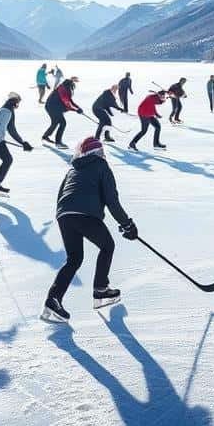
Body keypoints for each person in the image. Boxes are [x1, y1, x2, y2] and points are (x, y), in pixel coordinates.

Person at [41, 137, 137, 323]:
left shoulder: (72, 169)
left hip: (64, 215)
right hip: (85, 214)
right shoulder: (102, 166)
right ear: (97, 153)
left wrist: (68, 214)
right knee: (107, 246)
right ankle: (100, 291)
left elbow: (62, 196)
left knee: (74, 259)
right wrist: (127, 225)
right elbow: (112, 200)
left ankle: (52, 301)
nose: (103, 155)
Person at [42, 78, 83, 148]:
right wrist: (76, 110)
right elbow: (67, 103)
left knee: (55, 123)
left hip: (52, 107)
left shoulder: (64, 88)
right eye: (72, 86)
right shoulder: (63, 91)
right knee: (62, 123)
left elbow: (70, 100)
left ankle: (45, 136)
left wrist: (78, 107)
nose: (72, 88)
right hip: (53, 108)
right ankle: (58, 142)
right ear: (69, 86)